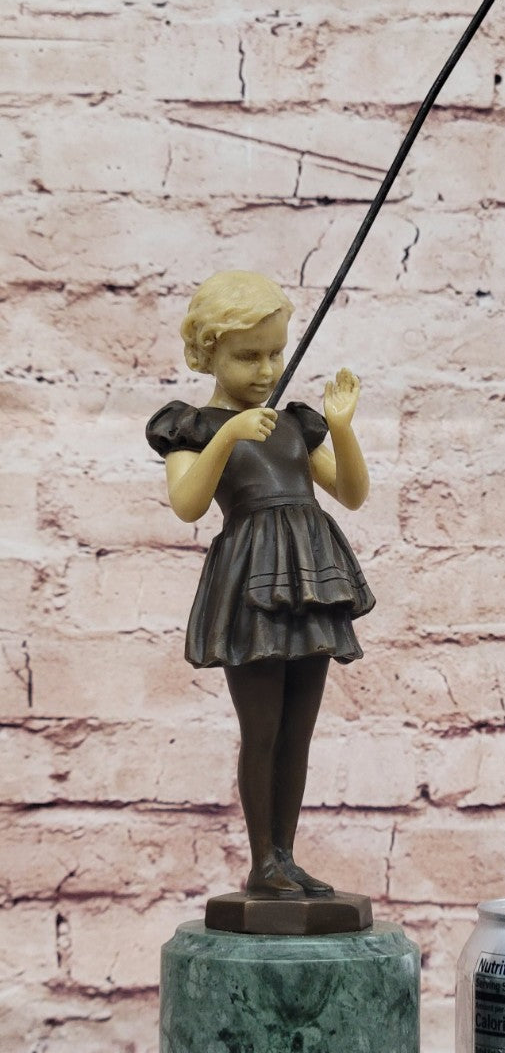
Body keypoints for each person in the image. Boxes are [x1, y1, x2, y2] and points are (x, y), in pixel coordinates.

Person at [146, 270, 374, 900]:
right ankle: (262, 861)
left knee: (298, 731)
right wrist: (227, 434)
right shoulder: (191, 426)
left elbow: (351, 493)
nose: (267, 369)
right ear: (207, 352)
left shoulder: (293, 424)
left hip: (310, 578)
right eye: (248, 356)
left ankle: (286, 857)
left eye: (275, 353)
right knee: (263, 729)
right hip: (251, 582)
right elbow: (188, 505)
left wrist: (342, 426)